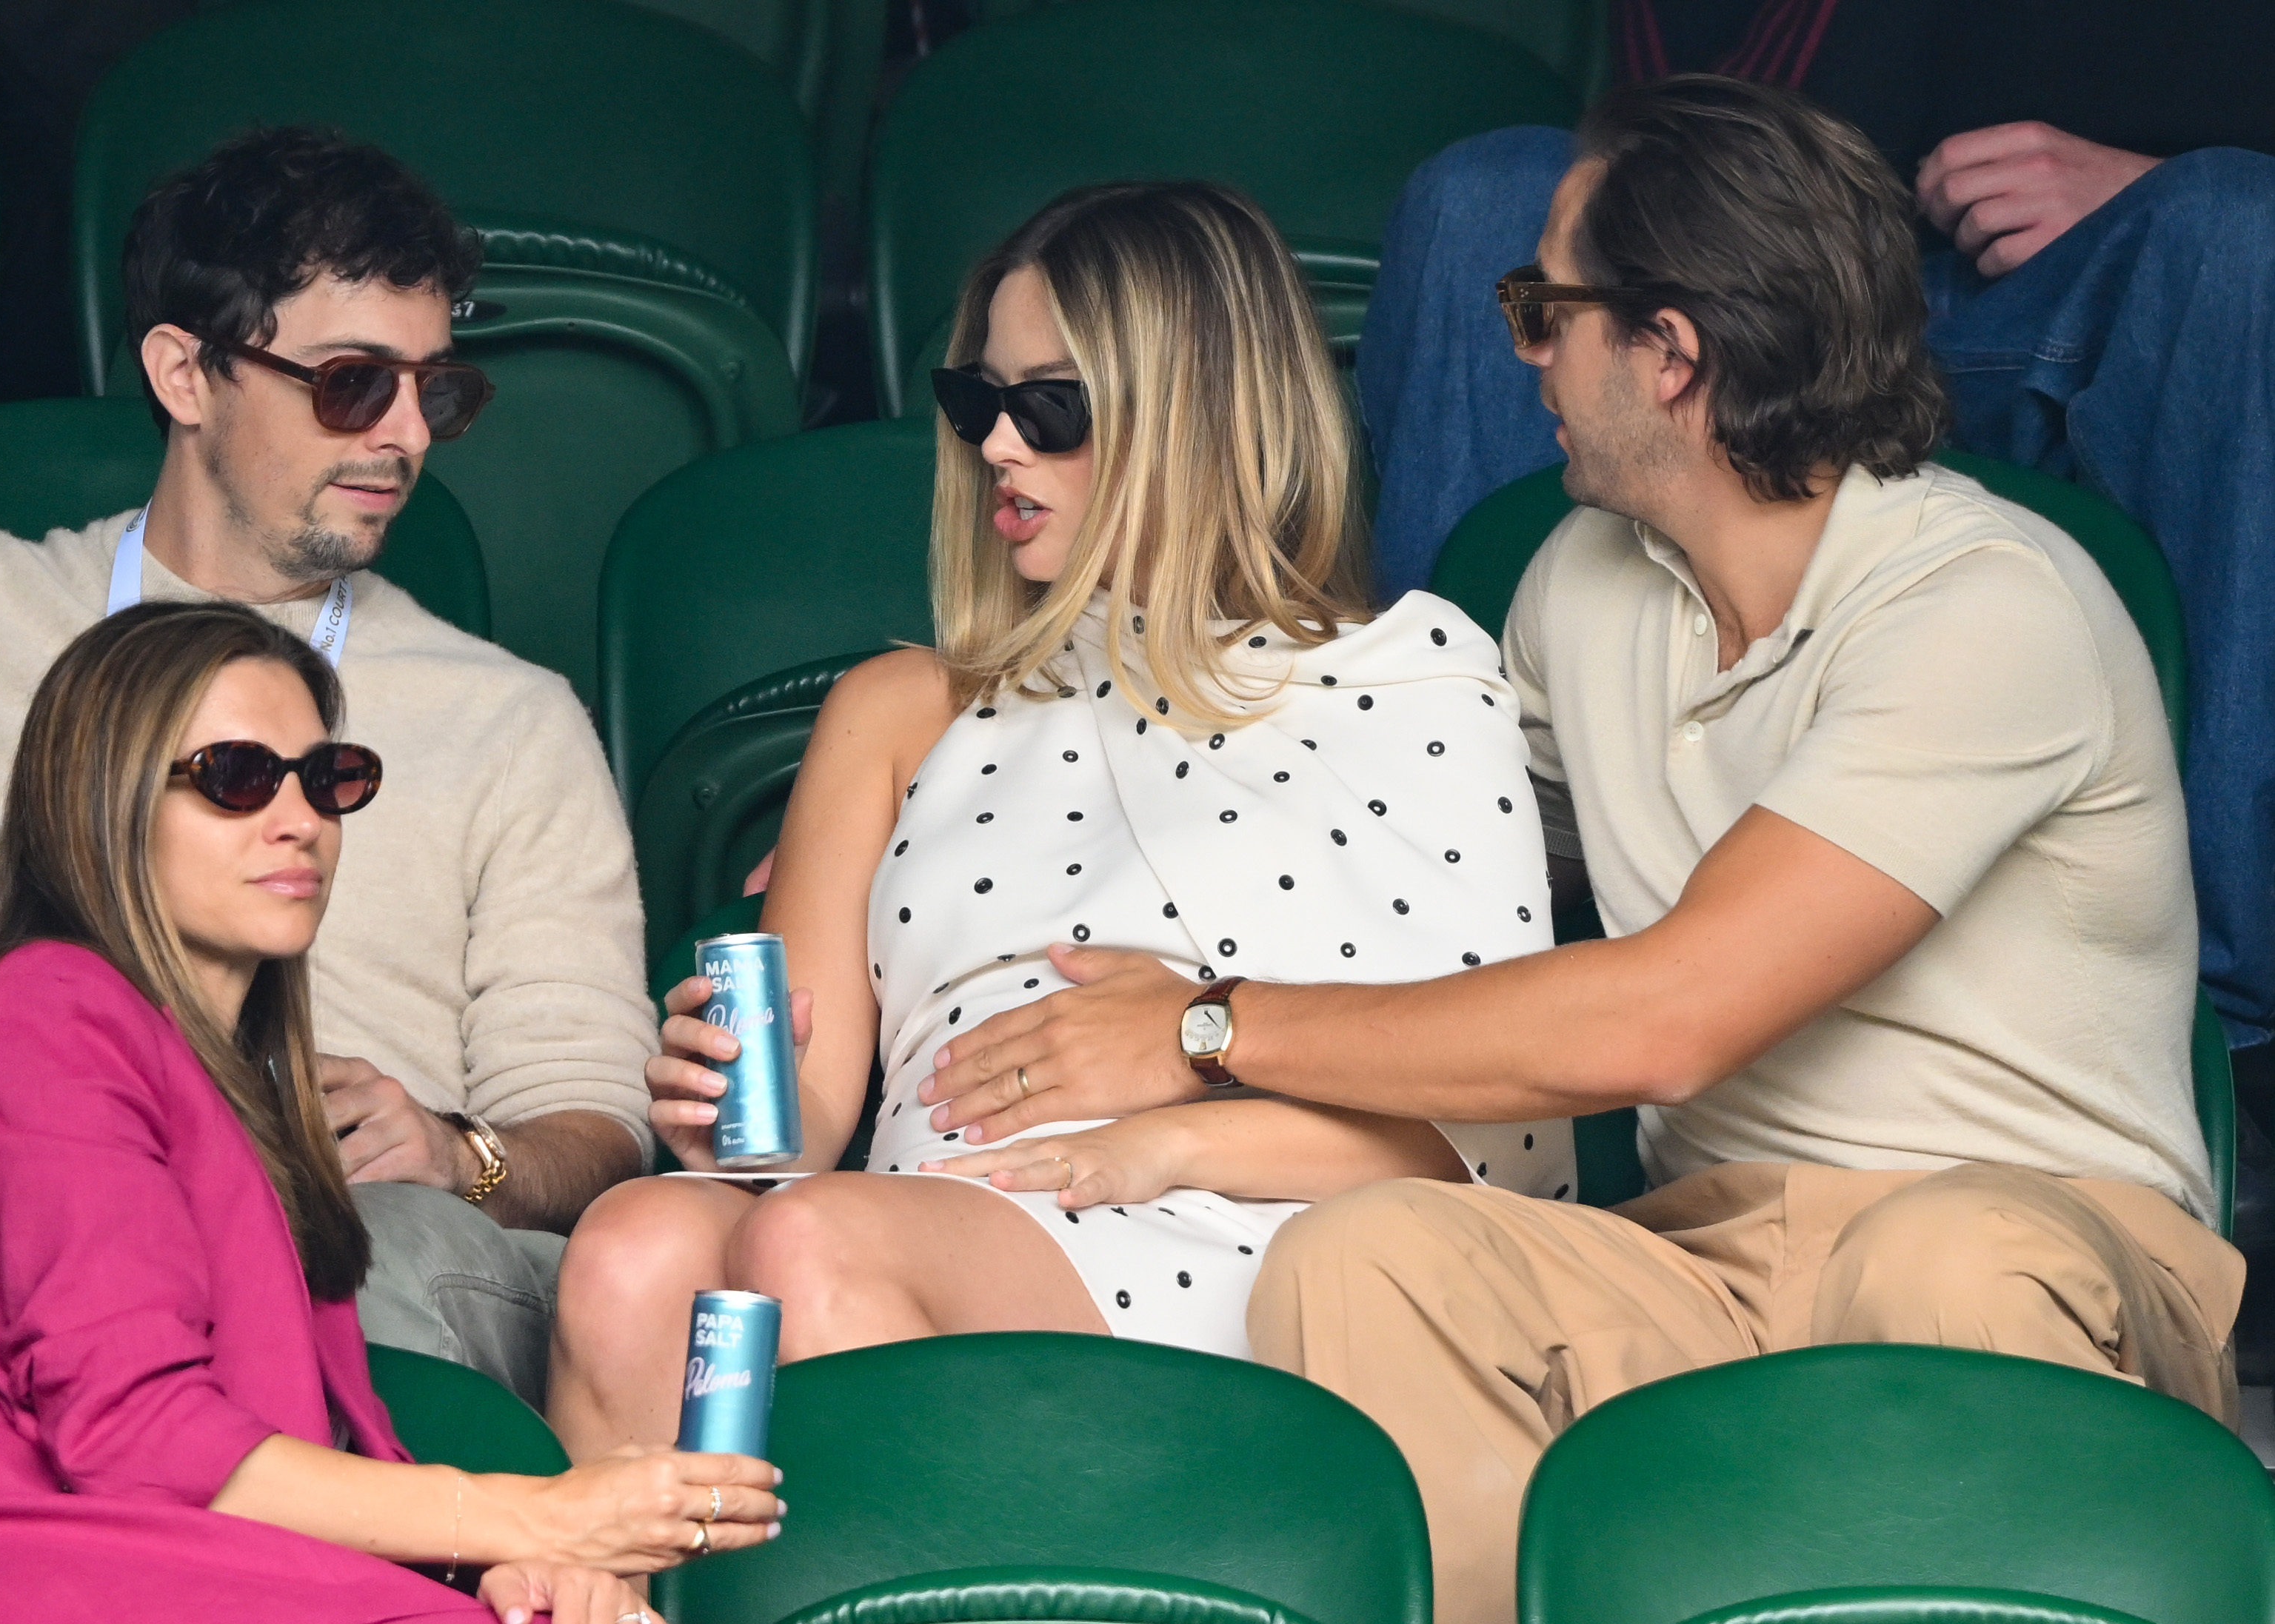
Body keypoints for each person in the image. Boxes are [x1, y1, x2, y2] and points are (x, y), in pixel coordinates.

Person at [921, 81, 2243, 1624]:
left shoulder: (1985, 603)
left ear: (1670, 352)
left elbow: (1661, 1019)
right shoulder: (1579, 583)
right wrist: (967, 819)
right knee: (1374, 1254)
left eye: (1545, 309)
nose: (1517, 349)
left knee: (1936, 1255)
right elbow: (1377, 829)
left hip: (2037, 1240)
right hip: (1706, 1250)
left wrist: (1201, 1024)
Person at [544, 181, 1572, 1461]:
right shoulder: (897, 707)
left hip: (1249, 1226)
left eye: (1051, 409)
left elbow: (1502, 1153)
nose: (996, 447)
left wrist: (1162, 1134)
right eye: (978, 402)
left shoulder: (1410, 671)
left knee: (813, 1241)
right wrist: (723, 1111)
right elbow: (798, 1121)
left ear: (1196, 413)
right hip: (933, 1216)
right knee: (635, 1246)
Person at [0, 127, 657, 1409]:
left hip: (365, 1231)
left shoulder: (513, 718)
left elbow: (593, 1124)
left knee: (329, 1284)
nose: (406, 437)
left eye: (433, 392)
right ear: (186, 372)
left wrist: (463, 1154)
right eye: (351, 383)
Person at [1359, 1, 2275, 1066]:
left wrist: (2143, 176)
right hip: (1756, 251)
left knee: (2234, 227)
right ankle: (1420, 908)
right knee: (1483, 197)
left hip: (2085, 282)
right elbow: (1673, 91)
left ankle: (2229, 1037)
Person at [0, 601, 777, 1624]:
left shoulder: (244, 1087)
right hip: (53, 1579)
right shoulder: (44, 1011)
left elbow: (321, 1452)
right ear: (101, 801)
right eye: (236, 777)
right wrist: (536, 1519)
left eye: (327, 779)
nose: (300, 821)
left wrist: (491, 1568)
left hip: (224, 1576)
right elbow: (136, 1437)